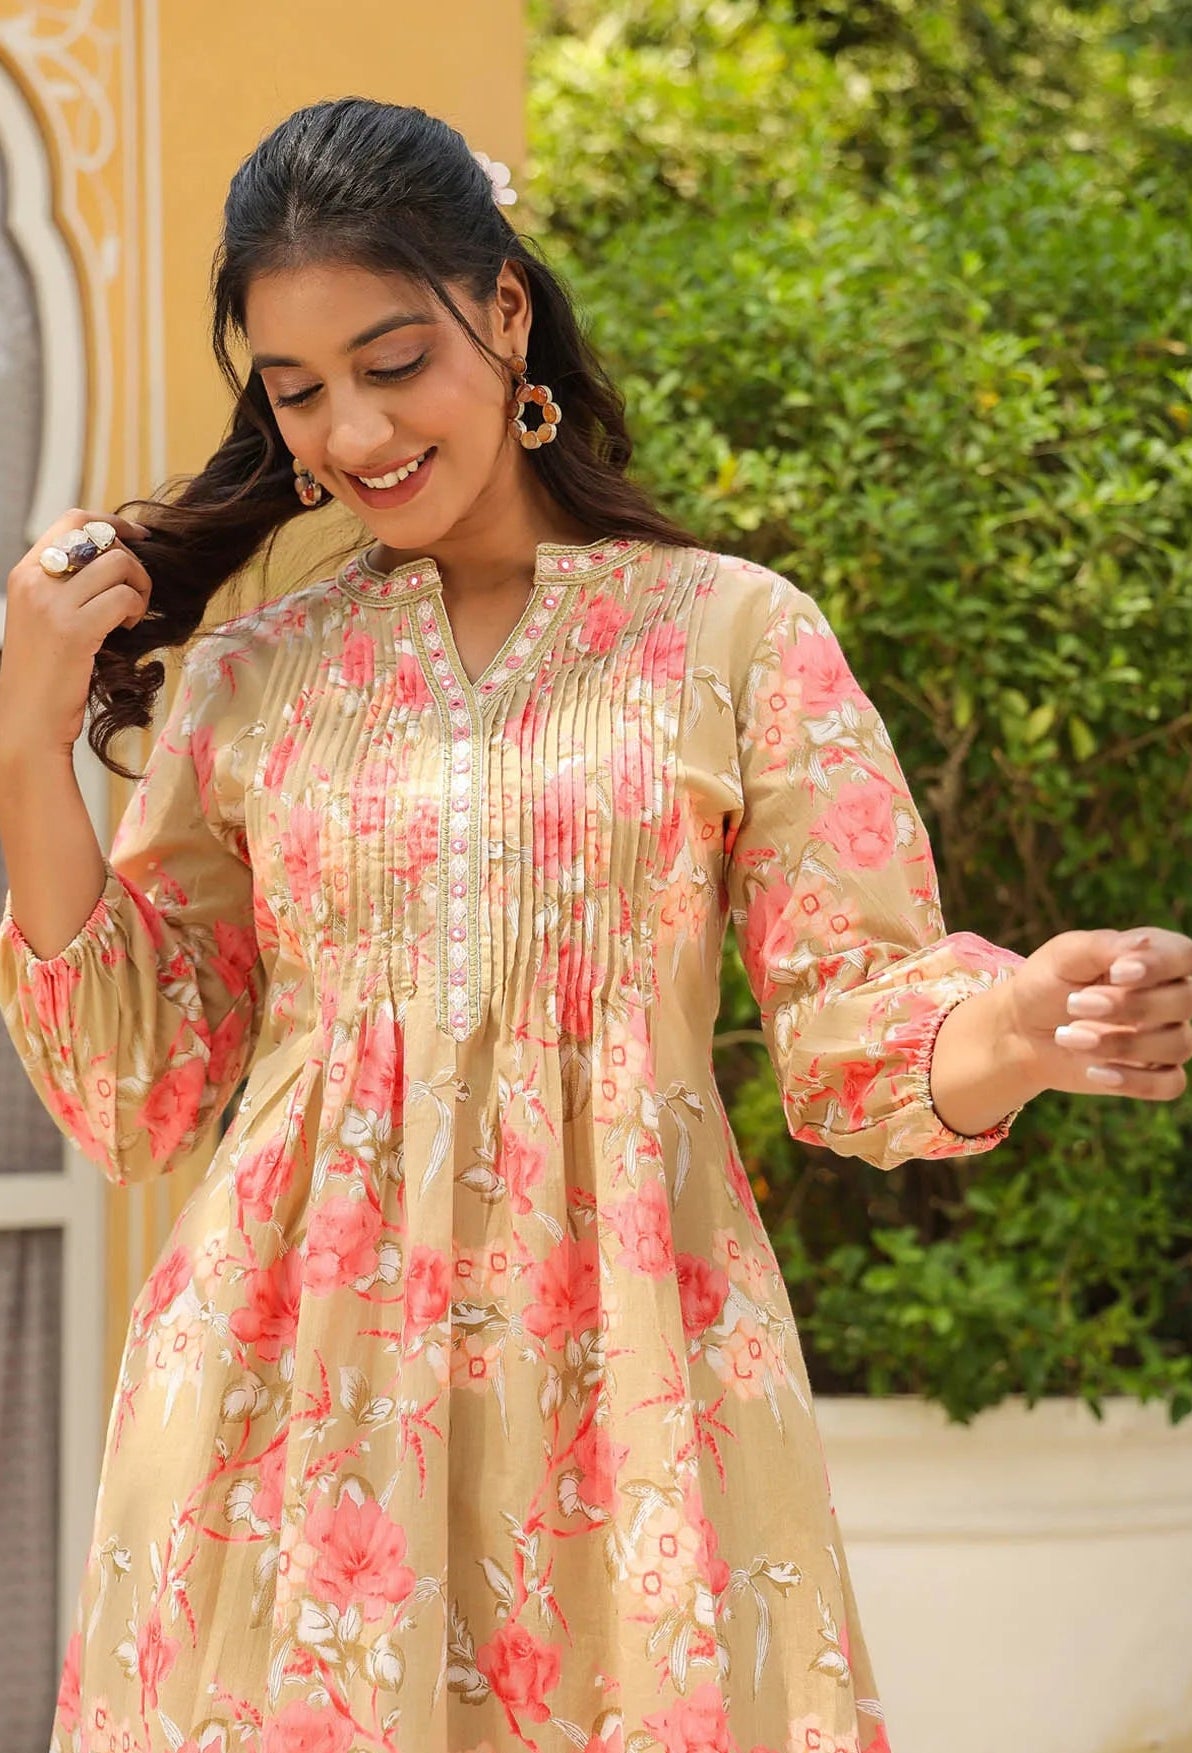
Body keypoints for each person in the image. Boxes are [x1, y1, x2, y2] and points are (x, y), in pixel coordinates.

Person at [0, 97, 1188, 1753]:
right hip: (286, 1412)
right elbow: (132, 1082)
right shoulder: (249, 680)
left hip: (636, 1394)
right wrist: (24, 730)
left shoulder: (733, 638)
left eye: (393, 358)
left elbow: (851, 1027)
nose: (351, 430)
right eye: (298, 391)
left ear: (503, 309)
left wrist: (1020, 1028)